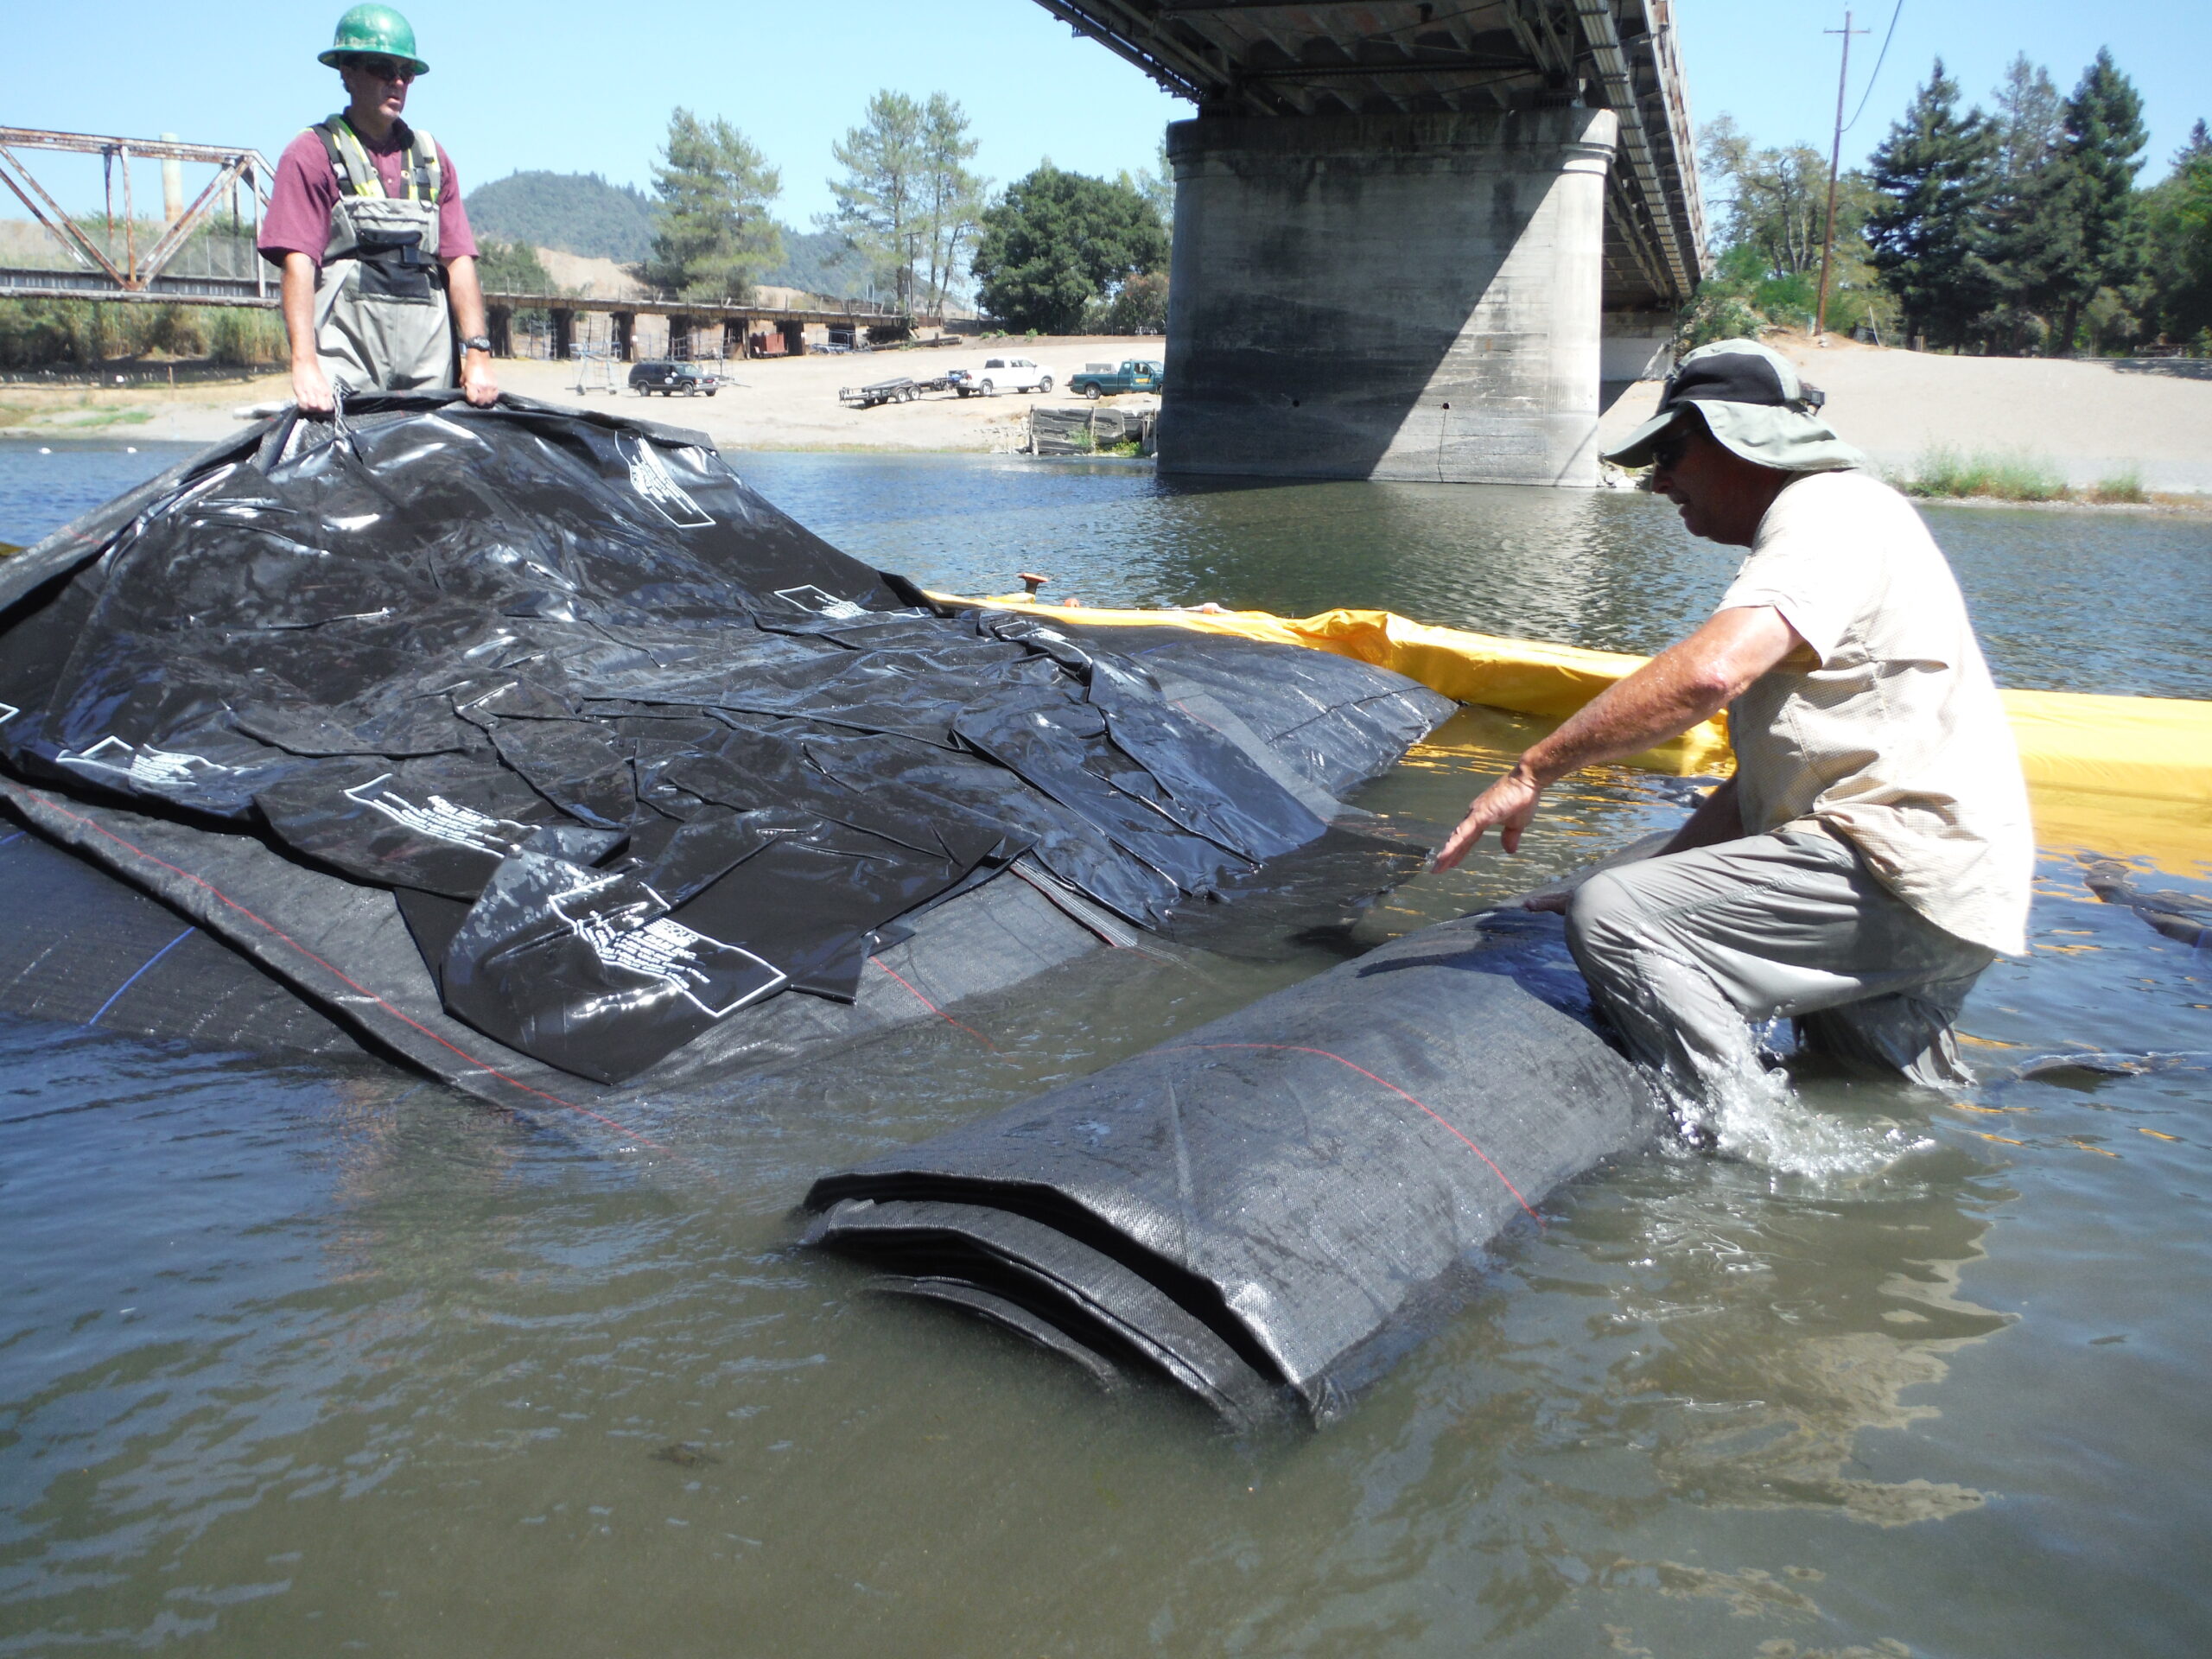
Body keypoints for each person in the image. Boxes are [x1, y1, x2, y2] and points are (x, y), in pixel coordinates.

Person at [1431, 339, 2032, 1128]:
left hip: (1892, 864)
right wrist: (1668, 867)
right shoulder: (1849, 519)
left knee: (1618, 913)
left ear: (1741, 441)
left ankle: (1754, 1143)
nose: (1658, 480)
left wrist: (1534, 770)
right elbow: (1759, 793)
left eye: (1672, 450)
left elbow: (1712, 672)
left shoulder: (1825, 509)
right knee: (1871, 1089)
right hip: (1954, 888)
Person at [257, 4, 497, 414]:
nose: (398, 81)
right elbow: (298, 263)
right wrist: (304, 363)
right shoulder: (311, 154)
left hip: (429, 364)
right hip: (346, 362)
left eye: (407, 72)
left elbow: (459, 263)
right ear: (346, 73)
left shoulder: (433, 159)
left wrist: (478, 355)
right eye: (382, 68)